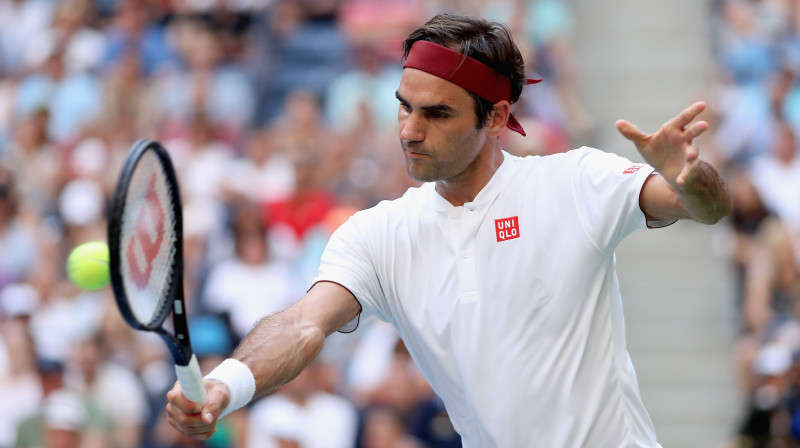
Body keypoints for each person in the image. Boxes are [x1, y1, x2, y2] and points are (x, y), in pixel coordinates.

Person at [165, 13, 731, 447]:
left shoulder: (576, 181)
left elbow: (703, 207)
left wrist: (688, 174)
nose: (410, 130)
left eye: (437, 115)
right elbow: (302, 325)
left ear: (497, 119)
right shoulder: (378, 235)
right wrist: (226, 385)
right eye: (404, 107)